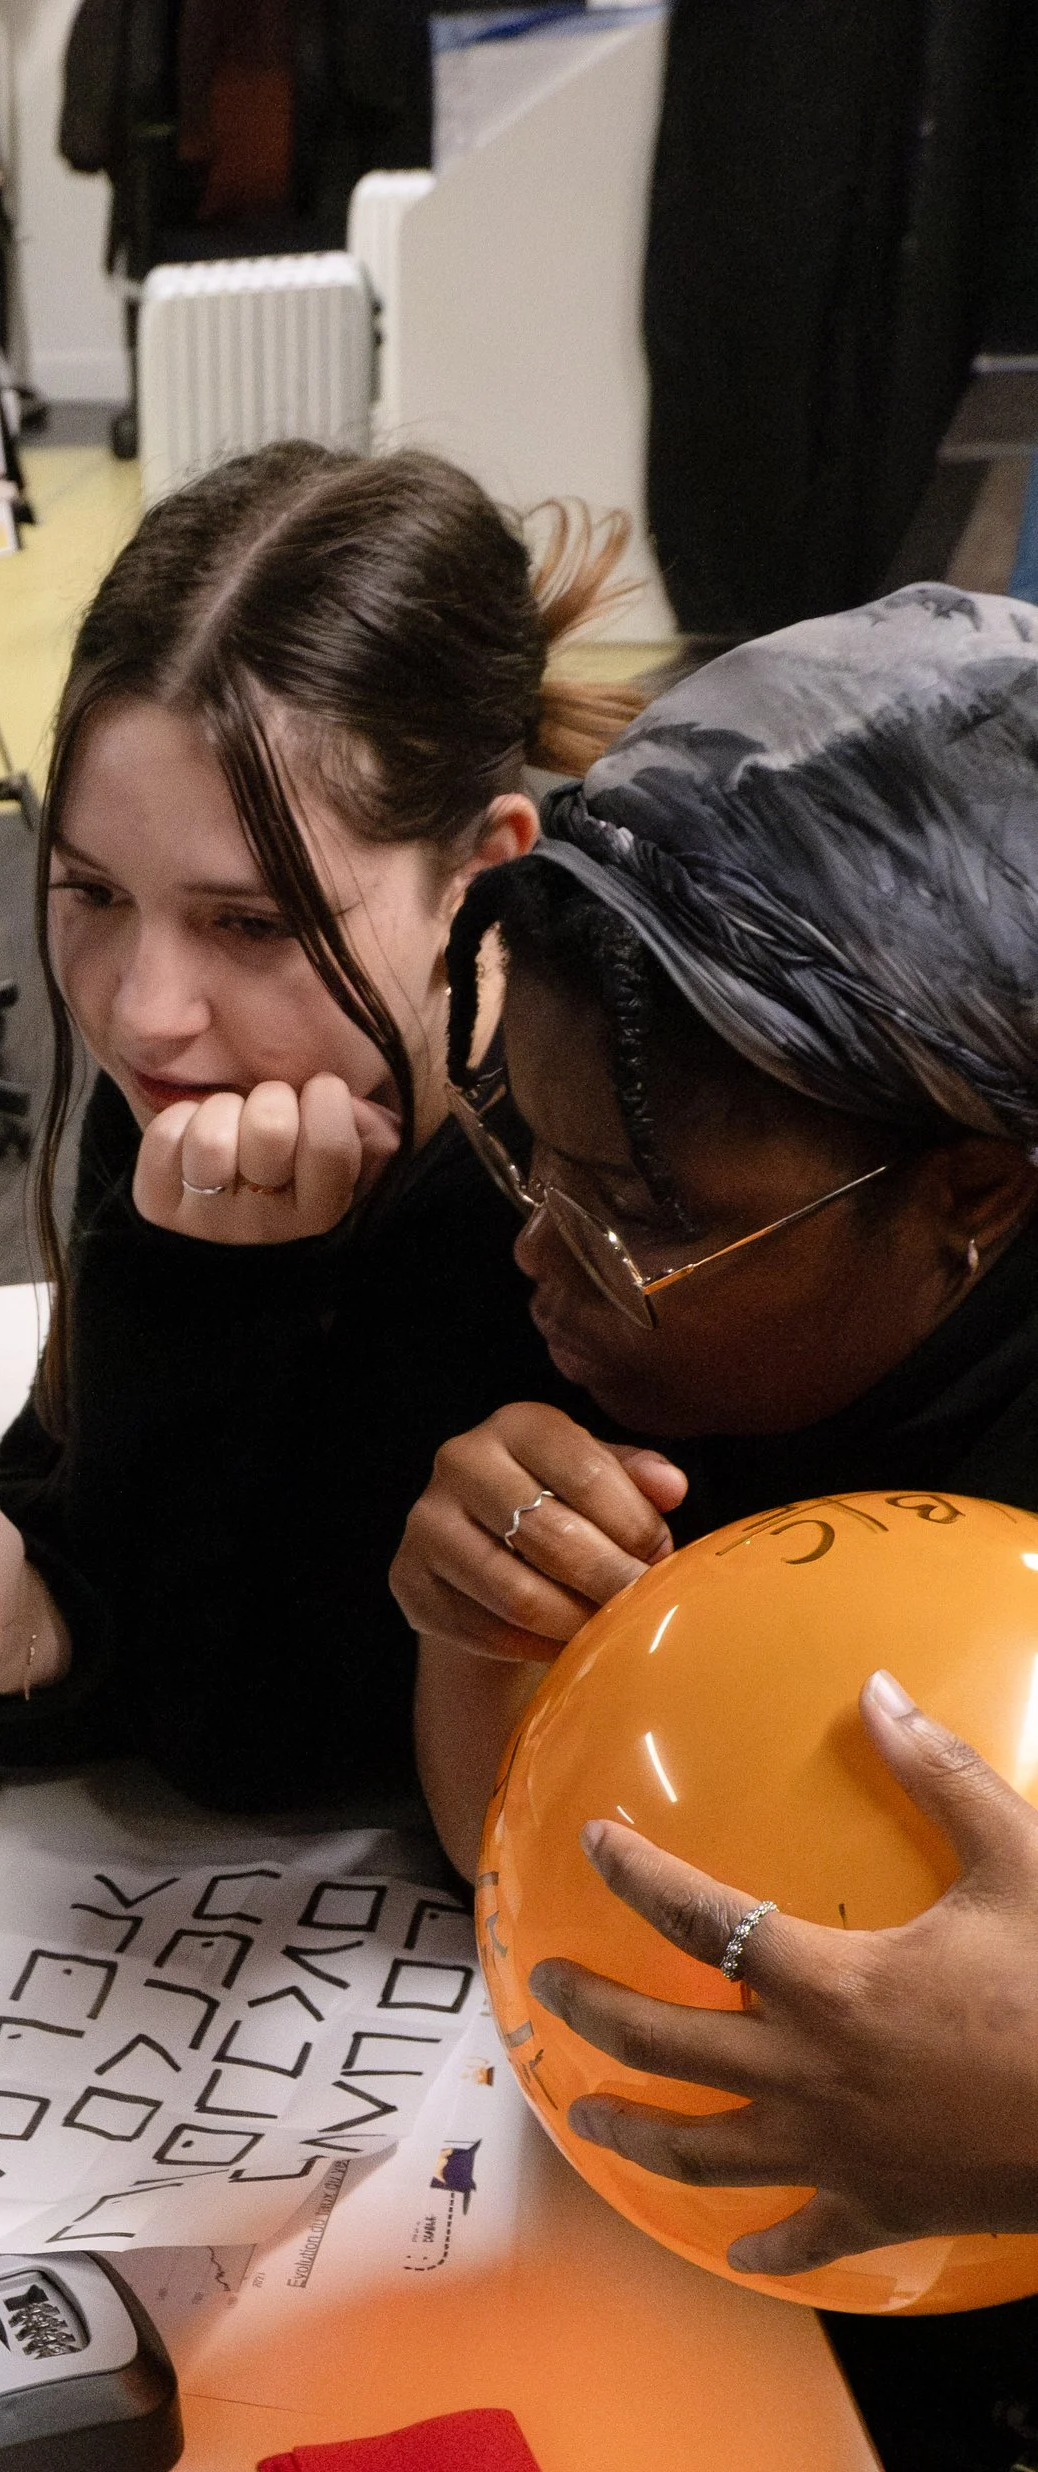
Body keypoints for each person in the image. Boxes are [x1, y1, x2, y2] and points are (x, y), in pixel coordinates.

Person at [0, 442, 638, 1814]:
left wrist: (219, 1295)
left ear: (488, 872)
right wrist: (23, 1620)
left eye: (251, 922)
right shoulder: (199, 1089)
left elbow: (277, 1736)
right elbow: (107, 1542)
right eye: (91, 892)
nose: (147, 1014)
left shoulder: (617, 1184)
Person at [389, 583, 1038, 1881]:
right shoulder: (520, 1217)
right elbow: (509, 1853)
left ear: (972, 1190)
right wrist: (474, 1638)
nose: (540, 1250)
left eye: (638, 1215)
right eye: (525, 1143)